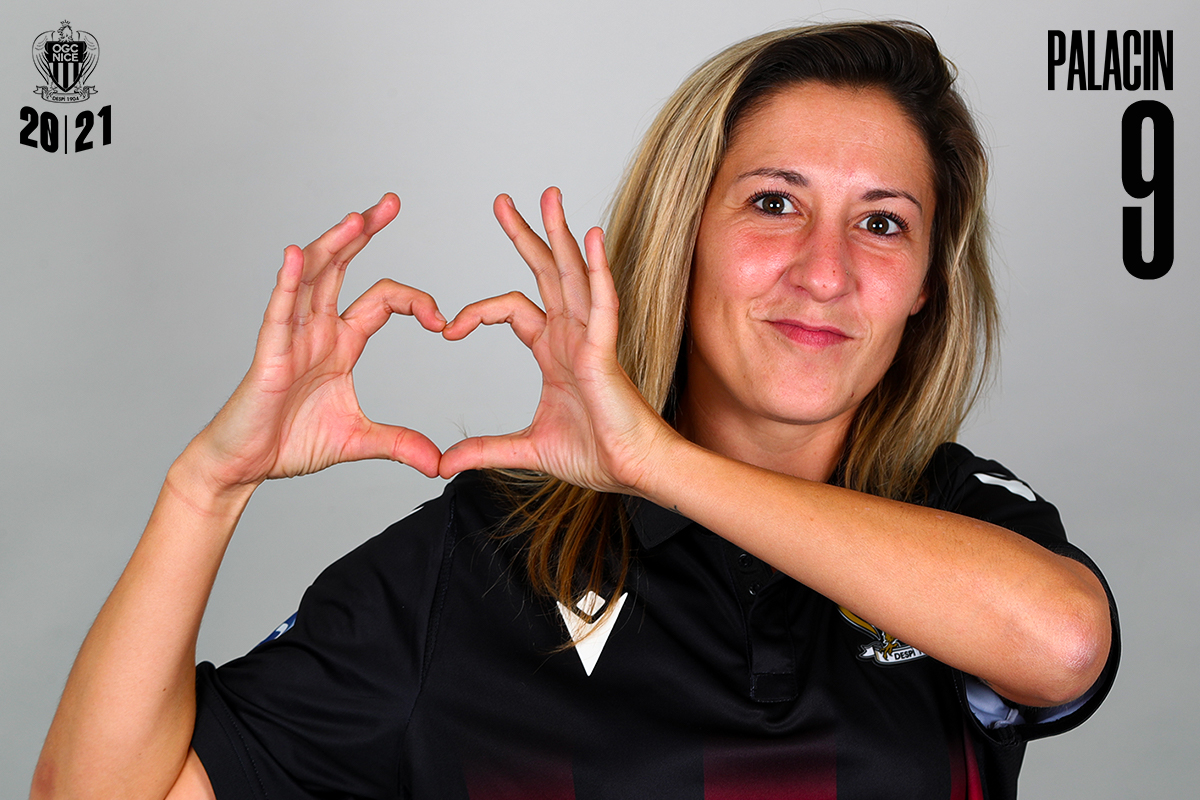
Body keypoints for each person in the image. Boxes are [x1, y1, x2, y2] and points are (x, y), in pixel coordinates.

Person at [32, 20, 1117, 800]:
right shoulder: (481, 557)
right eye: (773, 203)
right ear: (683, 232)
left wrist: (655, 462)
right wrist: (207, 486)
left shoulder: (958, 514)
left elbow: (1065, 643)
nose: (824, 272)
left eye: (882, 224)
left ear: (925, 283)